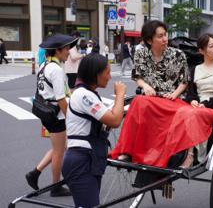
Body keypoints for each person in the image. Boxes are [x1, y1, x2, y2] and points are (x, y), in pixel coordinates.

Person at [110, 20, 191, 168]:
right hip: (152, 98)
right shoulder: (141, 53)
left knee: (184, 112)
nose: (165, 39)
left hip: (172, 99)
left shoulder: (178, 54)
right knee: (138, 101)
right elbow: (137, 76)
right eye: (160, 36)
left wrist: (174, 94)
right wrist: (145, 85)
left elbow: (185, 81)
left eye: (165, 35)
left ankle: (166, 154)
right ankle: (127, 151)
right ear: (149, 40)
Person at [62, 53, 126, 207]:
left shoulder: (88, 94)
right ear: (95, 74)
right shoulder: (84, 96)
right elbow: (114, 120)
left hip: (88, 160)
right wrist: (120, 94)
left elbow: (108, 119)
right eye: (107, 72)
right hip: (81, 162)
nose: (109, 77)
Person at [25, 33, 78, 196]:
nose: (69, 52)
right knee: (59, 152)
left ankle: (35, 173)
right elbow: (61, 99)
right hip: (57, 116)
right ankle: (55, 187)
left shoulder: (44, 65)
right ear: (58, 50)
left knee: (58, 148)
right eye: (67, 48)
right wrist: (70, 118)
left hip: (47, 112)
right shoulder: (55, 70)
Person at [177, 33, 213, 167]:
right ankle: (174, 153)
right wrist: (193, 101)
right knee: (178, 111)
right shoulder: (195, 69)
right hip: (197, 107)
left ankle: (190, 155)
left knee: (193, 114)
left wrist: (205, 104)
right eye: (211, 46)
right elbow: (191, 93)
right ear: (201, 51)